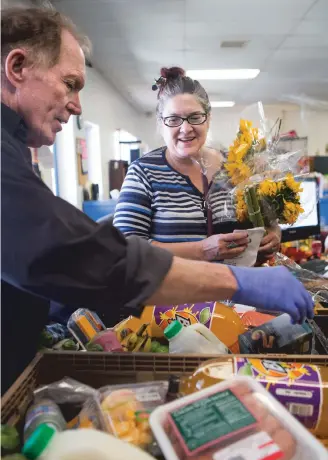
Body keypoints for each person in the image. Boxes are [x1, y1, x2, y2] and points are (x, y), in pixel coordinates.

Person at [1, 7, 313, 394]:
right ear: (17, 67)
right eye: (70, 83)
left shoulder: (12, 147)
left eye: (195, 118)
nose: (78, 105)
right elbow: (77, 252)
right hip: (164, 315)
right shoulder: (143, 172)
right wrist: (233, 278)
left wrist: (264, 239)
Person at [113, 67, 281, 263]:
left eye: (195, 117)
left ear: (208, 119)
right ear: (161, 123)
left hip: (237, 288)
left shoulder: (238, 166)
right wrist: (201, 250)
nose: (185, 128)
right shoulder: (143, 173)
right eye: (173, 119)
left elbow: (270, 223)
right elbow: (123, 248)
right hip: (176, 290)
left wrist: (274, 235)